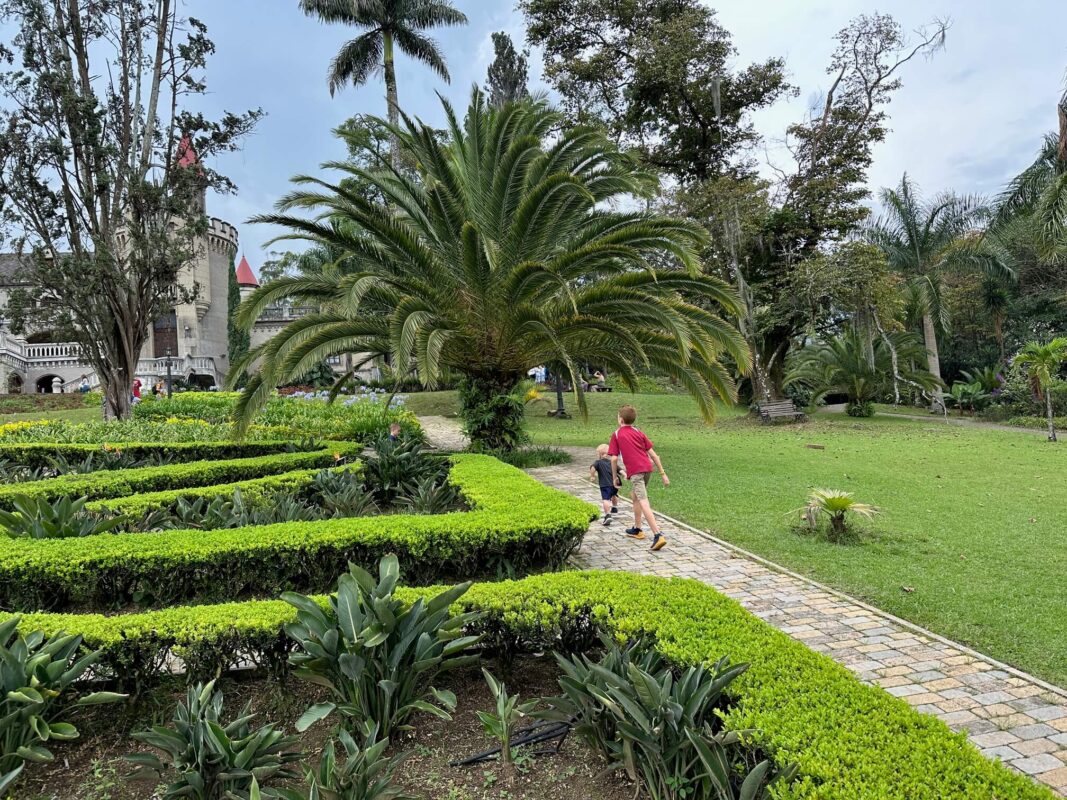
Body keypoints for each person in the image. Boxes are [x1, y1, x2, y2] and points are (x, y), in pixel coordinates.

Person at [608, 404, 670, 551]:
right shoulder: (638, 432)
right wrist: (663, 474)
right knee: (635, 496)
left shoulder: (616, 434)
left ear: (621, 420)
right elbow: (653, 455)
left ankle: (658, 535)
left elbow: (613, 459)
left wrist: (614, 477)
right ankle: (637, 529)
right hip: (648, 469)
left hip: (636, 473)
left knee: (643, 501)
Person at [589, 444, 620, 526]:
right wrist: (625, 475)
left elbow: (592, 468)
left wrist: (592, 476)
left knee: (606, 499)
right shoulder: (612, 462)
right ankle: (615, 507)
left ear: (599, 454)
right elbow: (619, 470)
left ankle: (608, 515)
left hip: (605, 485)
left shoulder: (597, 462)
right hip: (614, 484)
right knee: (614, 494)